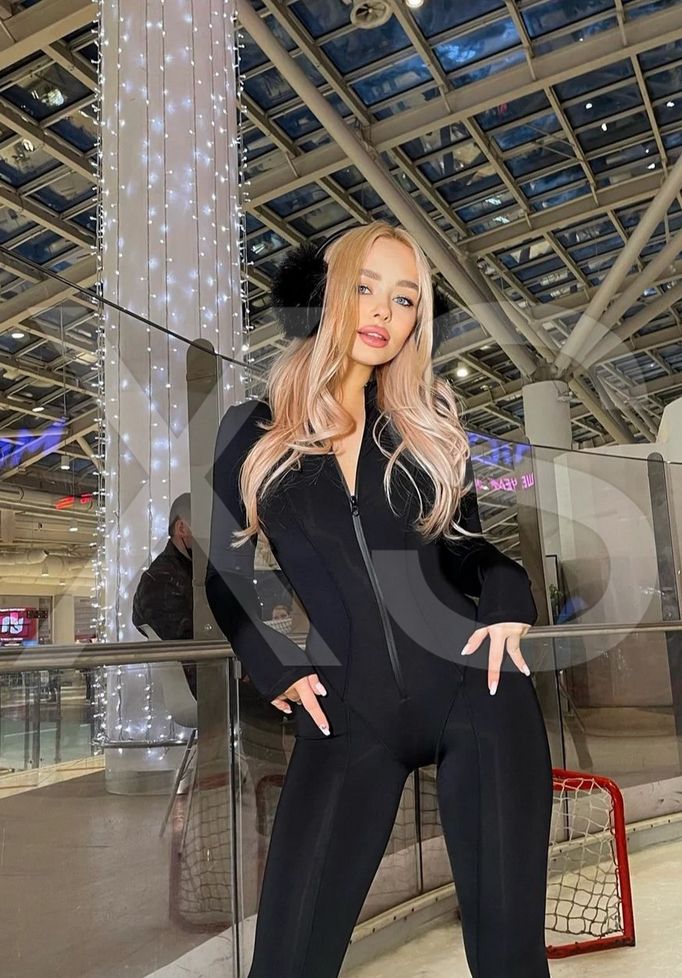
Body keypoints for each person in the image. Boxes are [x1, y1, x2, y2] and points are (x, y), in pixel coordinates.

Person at [205, 221, 553, 978]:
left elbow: (472, 550)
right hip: (346, 714)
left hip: (477, 692)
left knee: (510, 959)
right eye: (365, 287)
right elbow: (223, 573)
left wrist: (509, 595)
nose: (382, 313)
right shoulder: (253, 431)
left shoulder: (425, 425)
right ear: (326, 292)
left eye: (404, 299)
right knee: (288, 961)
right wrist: (274, 659)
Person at [131, 492, 196, 697]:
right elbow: (186, 642)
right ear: (182, 528)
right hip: (204, 683)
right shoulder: (161, 579)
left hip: (213, 676)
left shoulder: (185, 572)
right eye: (204, 526)